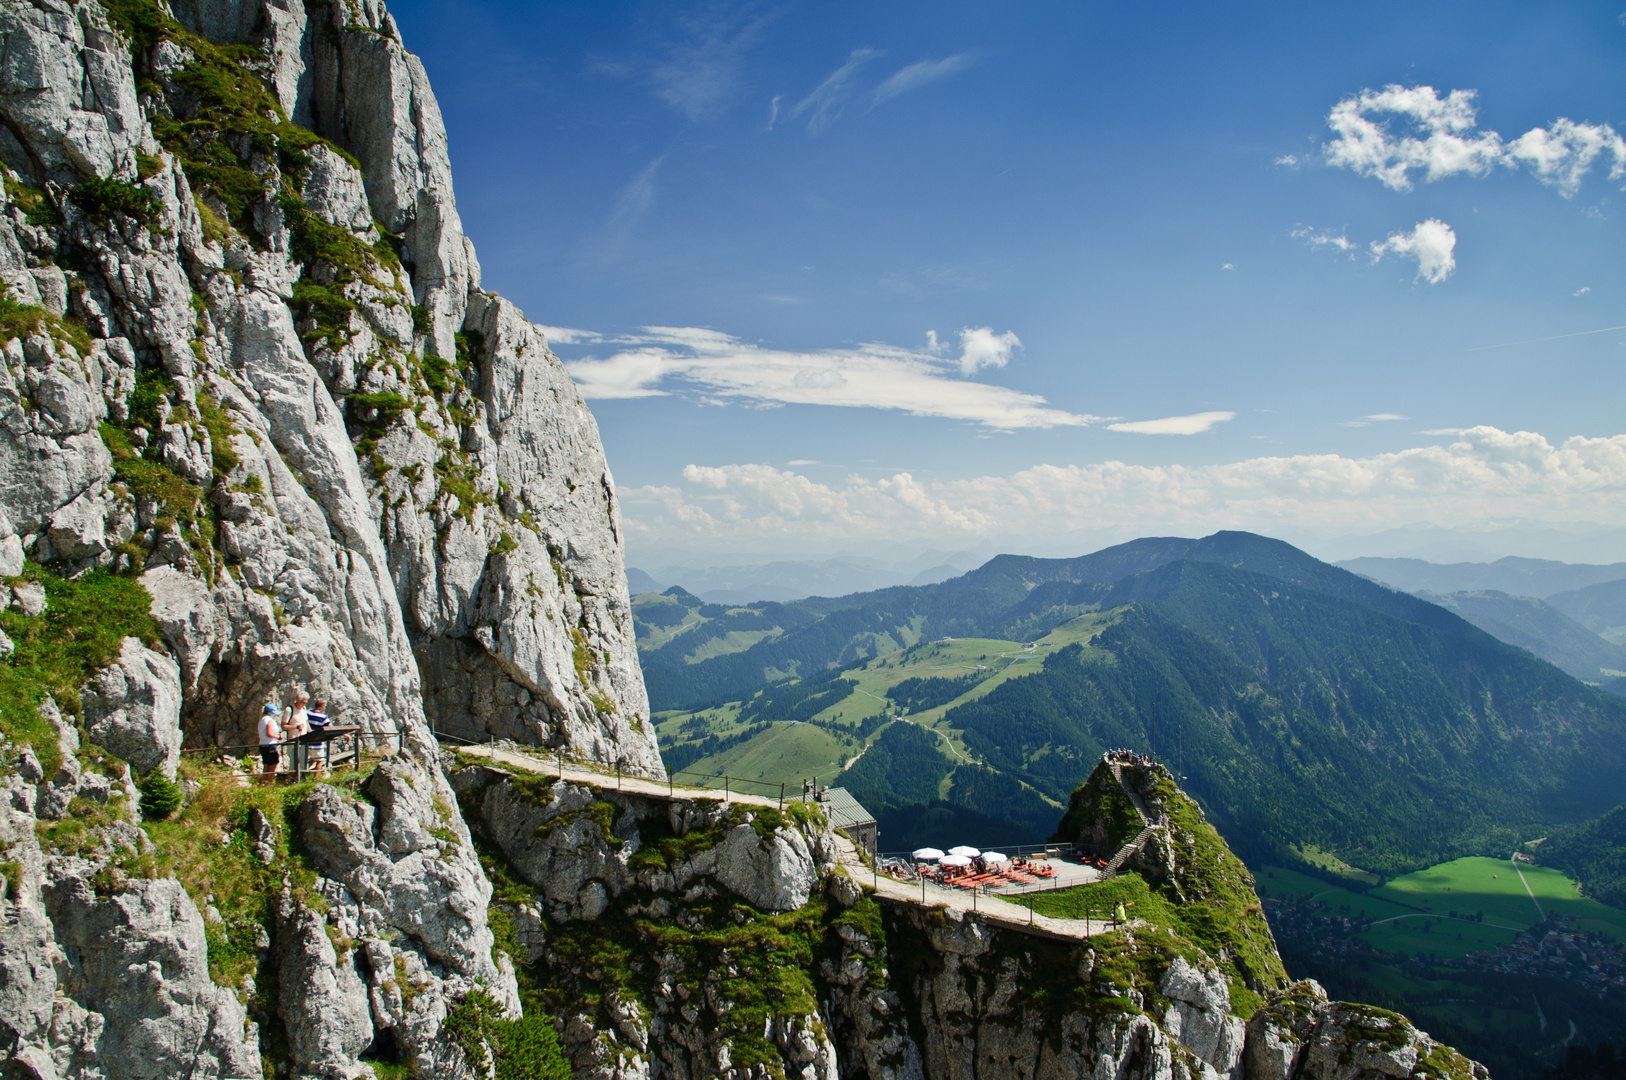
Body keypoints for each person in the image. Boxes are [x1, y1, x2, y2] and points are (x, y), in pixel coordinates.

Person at [258, 703, 282, 783]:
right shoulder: (269, 721)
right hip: (270, 745)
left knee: (266, 765)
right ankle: (270, 782)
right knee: (273, 764)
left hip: (263, 744)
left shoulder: (262, 719)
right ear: (269, 712)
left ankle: (263, 782)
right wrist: (278, 737)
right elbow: (269, 733)